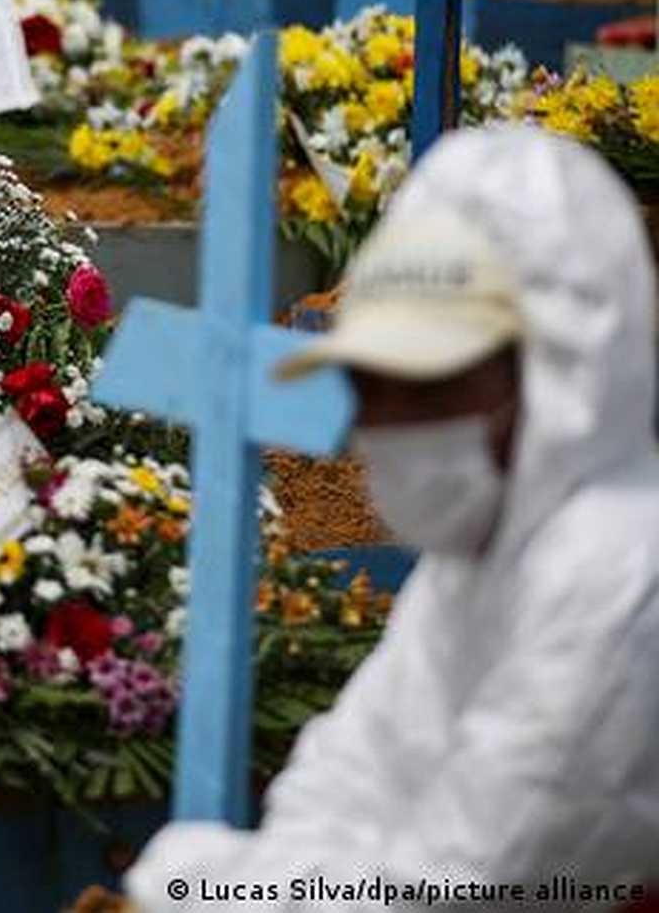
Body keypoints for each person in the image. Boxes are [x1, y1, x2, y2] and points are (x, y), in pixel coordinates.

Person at [125, 125, 659, 908]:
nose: (392, 425)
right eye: (370, 389)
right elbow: (348, 779)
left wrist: (209, 883)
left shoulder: (615, 570)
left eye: (431, 386)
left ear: (552, 371)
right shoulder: (472, 562)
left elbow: (467, 882)